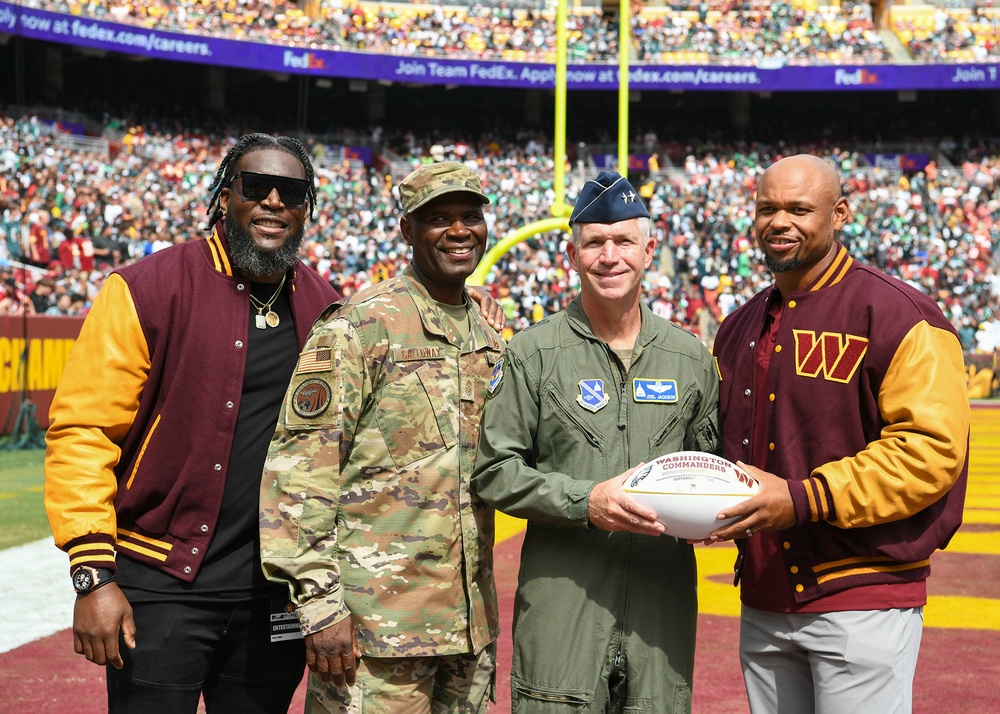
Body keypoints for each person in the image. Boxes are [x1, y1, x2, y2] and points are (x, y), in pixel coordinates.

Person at [43, 133, 343, 713]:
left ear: (308, 208)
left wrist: (463, 298)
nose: (274, 202)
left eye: (293, 191)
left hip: (272, 594)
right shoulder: (144, 288)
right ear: (226, 196)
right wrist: (91, 575)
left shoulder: (326, 306)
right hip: (160, 581)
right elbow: (84, 431)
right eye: (257, 187)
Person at [710, 154, 970, 713]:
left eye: (799, 208)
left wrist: (802, 498)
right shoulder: (738, 325)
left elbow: (930, 452)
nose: (780, 221)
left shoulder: (900, 314)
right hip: (764, 594)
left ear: (840, 214)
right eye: (767, 208)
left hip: (862, 596)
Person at [472, 171, 721, 712]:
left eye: (624, 241)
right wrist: (587, 502)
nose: (610, 256)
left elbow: (712, 464)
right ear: (572, 254)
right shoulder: (533, 354)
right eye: (594, 243)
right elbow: (494, 471)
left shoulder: (691, 358)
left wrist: (716, 514)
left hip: (662, 602)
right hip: (565, 599)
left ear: (649, 249)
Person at [260, 161, 503, 713]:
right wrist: (320, 604)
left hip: (468, 632)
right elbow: (299, 471)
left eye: (471, 216)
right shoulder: (362, 326)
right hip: (375, 635)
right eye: (438, 218)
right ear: (406, 231)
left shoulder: (489, 333)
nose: (459, 230)